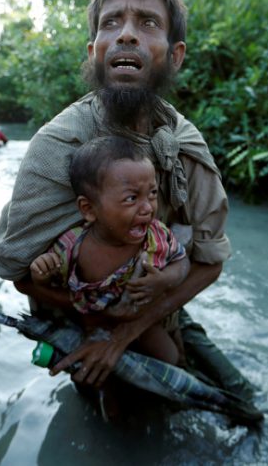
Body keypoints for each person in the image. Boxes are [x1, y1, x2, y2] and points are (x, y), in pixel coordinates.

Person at [0, 0, 257, 401]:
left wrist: (132, 326)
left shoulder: (184, 145)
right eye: (111, 23)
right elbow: (21, 274)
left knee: (242, 402)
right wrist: (103, 321)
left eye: (148, 23)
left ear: (175, 56)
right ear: (94, 50)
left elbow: (209, 260)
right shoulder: (59, 146)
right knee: (105, 401)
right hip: (80, 324)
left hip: (157, 308)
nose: (127, 36)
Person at [31, 136, 189, 366]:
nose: (148, 208)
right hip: (90, 322)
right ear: (89, 209)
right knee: (96, 374)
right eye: (131, 198)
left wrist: (164, 280)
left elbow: (182, 262)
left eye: (152, 193)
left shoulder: (156, 237)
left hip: (139, 319)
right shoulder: (71, 246)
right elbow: (49, 282)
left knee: (169, 357)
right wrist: (41, 274)